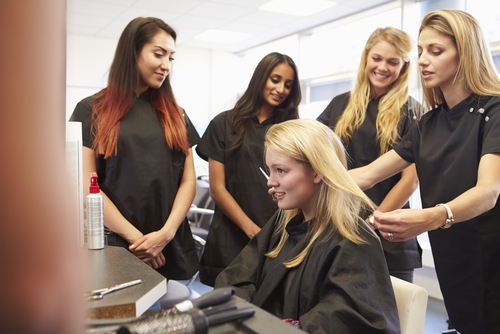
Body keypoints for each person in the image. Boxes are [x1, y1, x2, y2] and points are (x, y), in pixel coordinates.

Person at [349, 9, 500, 334]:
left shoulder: (494, 111)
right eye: (419, 52)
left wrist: (432, 217)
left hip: (491, 255)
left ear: (466, 53)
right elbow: (367, 175)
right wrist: (309, 177)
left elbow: (489, 191)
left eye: (435, 51)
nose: (422, 61)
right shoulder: (426, 124)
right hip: (452, 258)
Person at [215, 119, 400, 333]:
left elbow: (344, 320)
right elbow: (235, 281)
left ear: (317, 172)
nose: (270, 181)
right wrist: (248, 319)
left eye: (281, 170)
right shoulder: (280, 224)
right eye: (270, 170)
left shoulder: (354, 240)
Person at [70, 17, 200, 280]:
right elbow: (87, 186)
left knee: (166, 314)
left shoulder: (177, 114)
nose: (166, 65)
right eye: (158, 53)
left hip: (168, 242)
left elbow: (188, 181)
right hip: (118, 243)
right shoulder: (91, 110)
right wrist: (139, 241)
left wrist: (165, 235)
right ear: (133, 51)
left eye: (171, 57)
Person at [317, 27, 422, 283]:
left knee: (393, 317)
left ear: (404, 66)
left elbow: (410, 181)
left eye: (392, 61)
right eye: (377, 58)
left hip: (388, 231)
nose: (383, 67)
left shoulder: (412, 112)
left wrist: (372, 223)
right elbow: (315, 155)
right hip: (339, 224)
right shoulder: (340, 104)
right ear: (366, 57)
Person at [196, 52, 301, 286]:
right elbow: (217, 189)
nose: (281, 89)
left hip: (278, 237)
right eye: (275, 79)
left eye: (288, 84)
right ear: (260, 78)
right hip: (230, 239)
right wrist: (252, 230)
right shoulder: (224, 124)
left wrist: (268, 234)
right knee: (226, 311)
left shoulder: (292, 131)